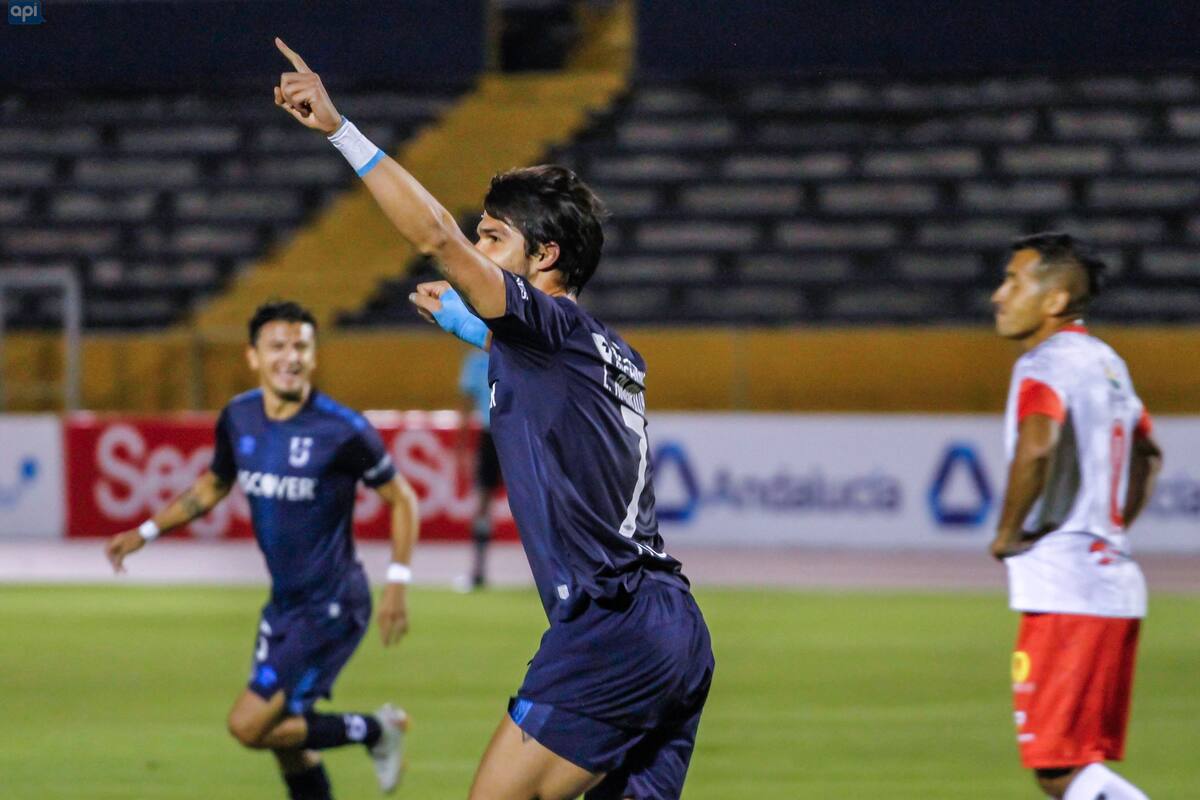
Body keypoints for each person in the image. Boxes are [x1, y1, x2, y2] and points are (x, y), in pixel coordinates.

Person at [274, 38, 714, 800]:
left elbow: (433, 236)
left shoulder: (544, 326)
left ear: (544, 257)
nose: (476, 248)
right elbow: (545, 369)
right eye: (480, 234)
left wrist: (339, 129)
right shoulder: (610, 351)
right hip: (673, 627)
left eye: (493, 238)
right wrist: (468, 328)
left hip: (608, 630)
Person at [105, 300, 419, 800]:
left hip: (332, 605)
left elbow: (402, 498)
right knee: (285, 741)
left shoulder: (342, 429)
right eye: (277, 346)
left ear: (314, 357)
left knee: (249, 725)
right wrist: (145, 531)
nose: (290, 357)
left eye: (301, 346)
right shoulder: (239, 417)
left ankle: (377, 729)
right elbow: (211, 486)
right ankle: (370, 734)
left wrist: (398, 581)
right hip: (284, 606)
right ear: (253, 356)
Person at [989, 234, 1163, 800]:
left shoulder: (1046, 363)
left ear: (1055, 300)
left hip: (1067, 589)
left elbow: (1038, 444)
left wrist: (1008, 532)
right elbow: (1148, 453)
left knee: (1059, 769)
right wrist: (1111, 530)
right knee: (1076, 765)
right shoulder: (1107, 362)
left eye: (1015, 282)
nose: (999, 295)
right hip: (1110, 579)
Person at [456, 348, 504, 590]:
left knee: (484, 501)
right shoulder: (483, 359)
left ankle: (477, 572)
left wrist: (462, 446)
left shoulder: (477, 360)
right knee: (534, 500)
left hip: (497, 435)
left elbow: (466, 405)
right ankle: (477, 571)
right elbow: (466, 405)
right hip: (506, 435)